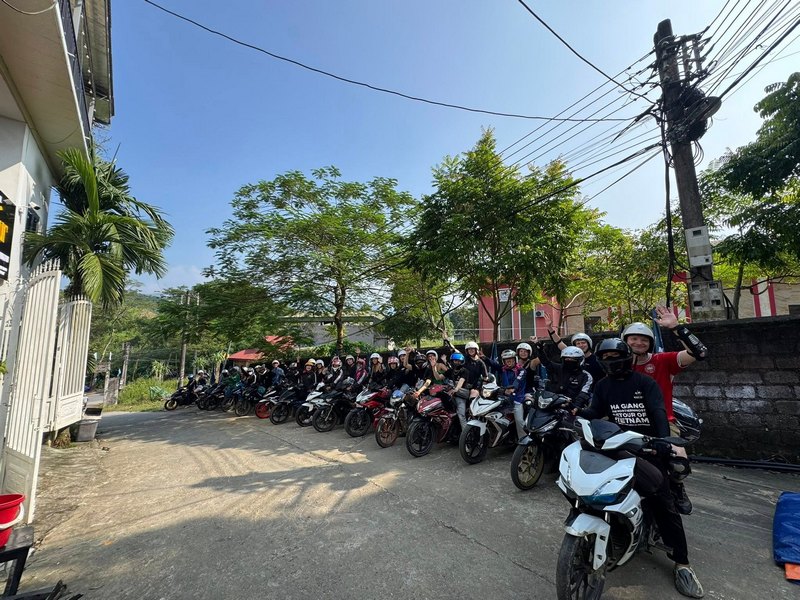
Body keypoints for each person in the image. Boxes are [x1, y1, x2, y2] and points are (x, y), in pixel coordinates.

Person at [575, 338, 704, 599]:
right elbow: (595, 411)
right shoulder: (602, 386)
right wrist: (573, 413)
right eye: (605, 357)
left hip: (649, 447)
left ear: (627, 357)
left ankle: (682, 563)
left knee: (663, 501)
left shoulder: (645, 383)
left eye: (615, 356)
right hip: (617, 445)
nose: (610, 361)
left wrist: (664, 441)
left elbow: (658, 413)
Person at [622, 306, 708, 515]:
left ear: (651, 343)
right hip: (624, 420)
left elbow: (699, 352)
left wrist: (677, 328)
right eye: (633, 338)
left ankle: (676, 486)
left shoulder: (662, 361)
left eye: (644, 339)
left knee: (679, 462)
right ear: (624, 341)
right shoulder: (616, 365)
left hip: (663, 422)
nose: (638, 343)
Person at [542, 312, 604, 389]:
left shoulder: (597, 360)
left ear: (589, 344)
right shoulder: (571, 355)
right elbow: (558, 342)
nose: (581, 345)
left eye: (583, 343)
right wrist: (549, 328)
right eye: (578, 343)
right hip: (576, 393)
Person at [533, 343, 593, 408]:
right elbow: (546, 362)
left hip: (571, 407)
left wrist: (575, 407)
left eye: (573, 359)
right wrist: (540, 351)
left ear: (580, 360)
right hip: (551, 404)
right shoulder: (558, 368)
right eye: (567, 359)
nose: (569, 361)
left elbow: (584, 393)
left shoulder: (585, 376)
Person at [497, 349, 526, 439]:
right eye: (506, 359)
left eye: (511, 359)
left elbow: (518, 381)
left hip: (517, 399)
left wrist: (513, 388)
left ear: (515, 359)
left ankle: (524, 440)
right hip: (504, 399)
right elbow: (493, 364)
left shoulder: (521, 370)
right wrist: (484, 358)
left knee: (519, 421)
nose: (509, 361)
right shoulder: (503, 370)